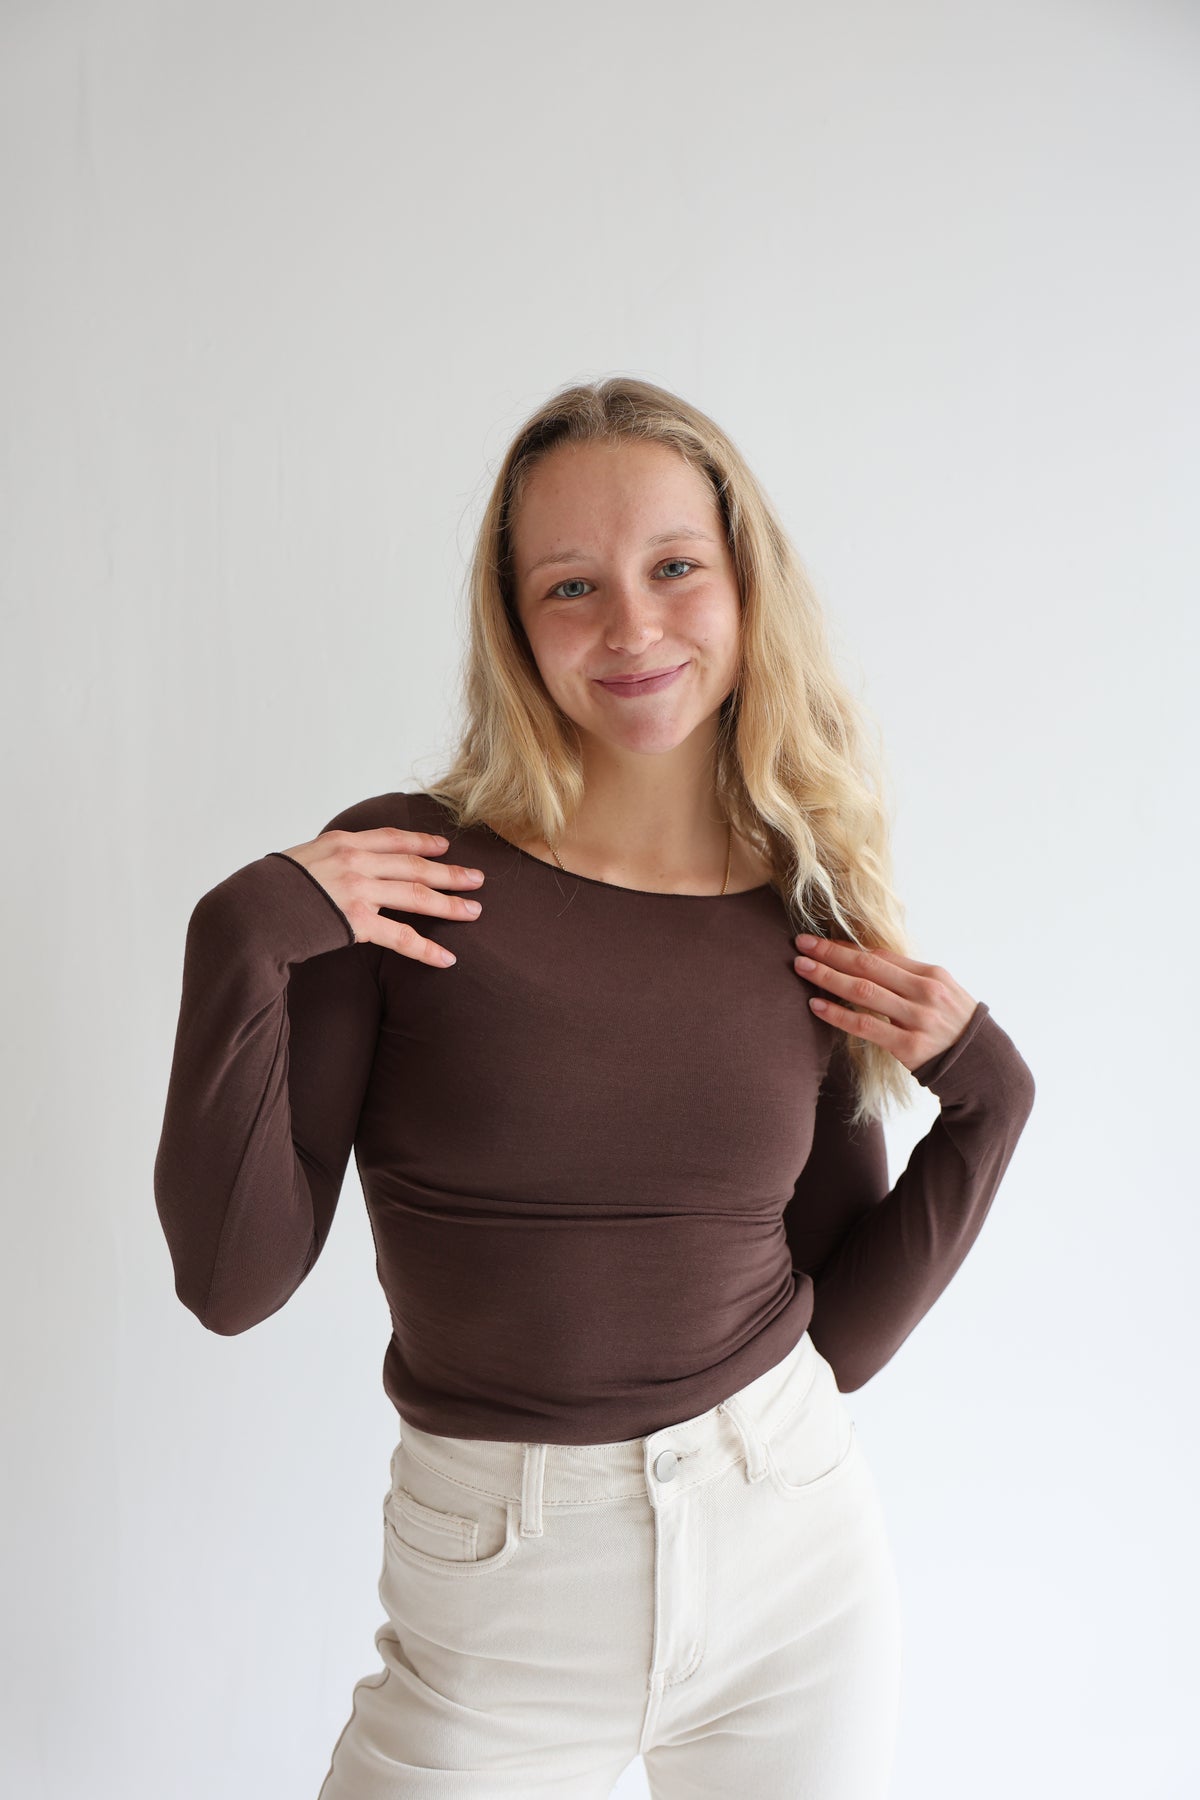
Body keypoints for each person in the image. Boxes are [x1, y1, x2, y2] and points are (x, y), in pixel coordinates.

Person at [154, 376, 1035, 1799]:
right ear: (514, 626)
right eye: (572, 585)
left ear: (745, 588)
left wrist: (990, 1103)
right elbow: (231, 1282)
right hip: (496, 1601)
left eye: (675, 567)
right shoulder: (408, 873)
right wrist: (241, 936)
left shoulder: (801, 911)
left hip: (792, 1565)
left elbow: (841, 1338)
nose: (631, 626)